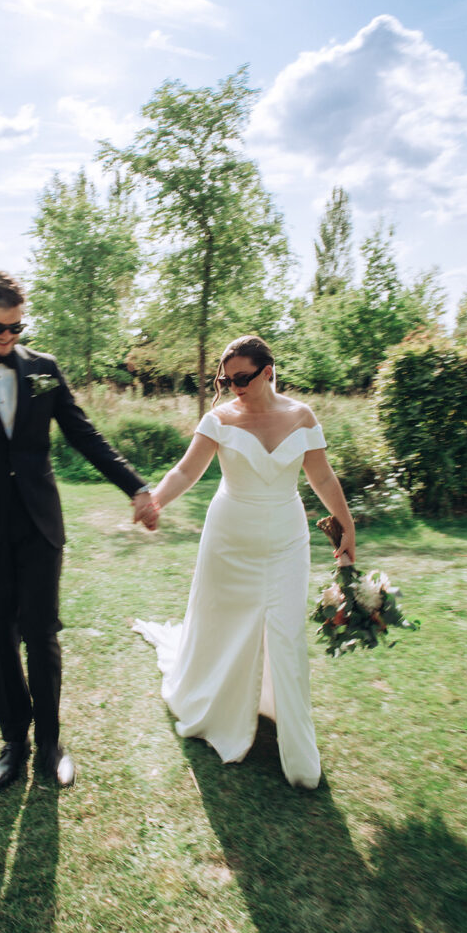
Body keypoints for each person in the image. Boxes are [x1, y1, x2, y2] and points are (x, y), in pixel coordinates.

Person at [0, 269, 157, 792]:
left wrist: (136, 488)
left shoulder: (43, 369)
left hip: (39, 524)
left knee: (42, 634)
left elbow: (83, 433)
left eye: (18, 328)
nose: (9, 338)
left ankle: (51, 742)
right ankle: (13, 744)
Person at [134, 335, 355, 789]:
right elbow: (185, 471)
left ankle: (298, 748)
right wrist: (155, 501)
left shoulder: (302, 417)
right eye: (225, 379)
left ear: (268, 371)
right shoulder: (219, 418)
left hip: (286, 541)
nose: (233, 386)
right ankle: (216, 705)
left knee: (287, 632)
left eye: (242, 378)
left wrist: (347, 527)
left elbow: (322, 477)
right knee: (222, 622)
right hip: (229, 539)